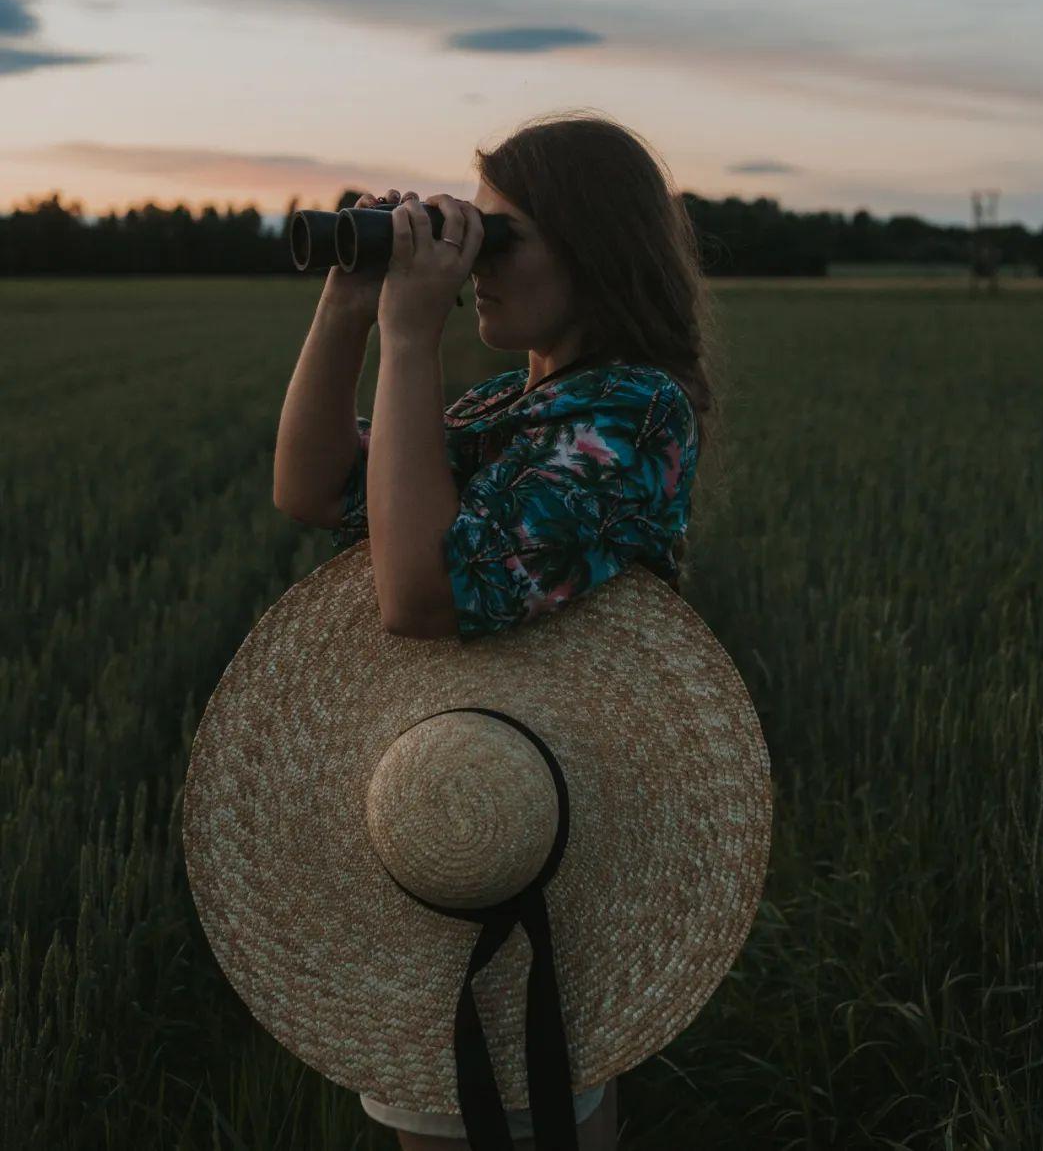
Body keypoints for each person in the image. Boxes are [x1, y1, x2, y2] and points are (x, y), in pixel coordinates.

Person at [273, 111, 721, 1147]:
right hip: (461, 803)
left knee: (524, 1096)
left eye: (500, 233)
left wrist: (412, 336)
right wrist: (349, 305)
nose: (473, 257)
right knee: (458, 1098)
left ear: (595, 248)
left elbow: (420, 596)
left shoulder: (634, 414)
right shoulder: (499, 412)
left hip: (550, 821)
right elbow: (308, 488)